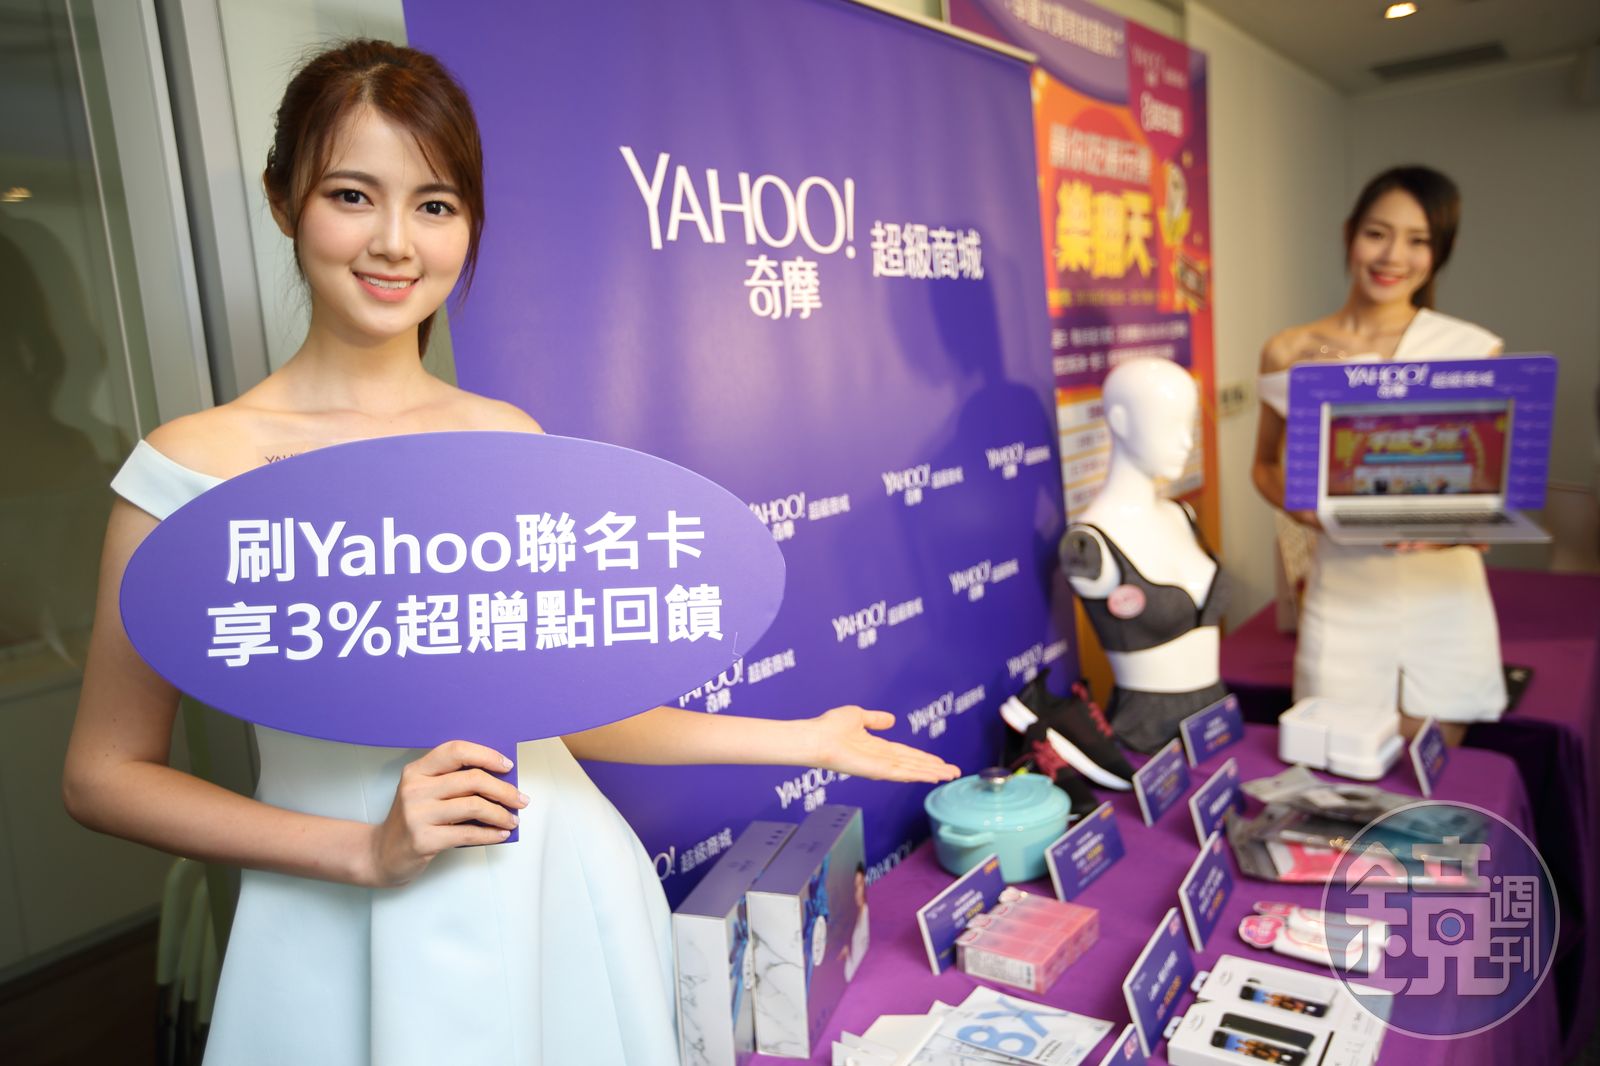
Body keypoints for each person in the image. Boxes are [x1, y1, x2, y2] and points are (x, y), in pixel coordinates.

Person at [61, 40, 958, 1065]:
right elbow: (103, 774)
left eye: (435, 205)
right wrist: (363, 849)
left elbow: (564, 712)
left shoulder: (507, 441)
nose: (395, 242)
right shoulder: (192, 468)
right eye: (352, 195)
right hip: (338, 916)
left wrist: (801, 738)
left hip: (555, 891)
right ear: (282, 200)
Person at [1252, 165, 1506, 746]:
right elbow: (1264, 465)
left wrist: (1460, 528)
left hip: (1445, 600)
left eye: (1418, 241)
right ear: (1349, 234)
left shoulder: (1470, 348)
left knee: (1424, 780)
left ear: (1440, 252)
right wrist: (1302, 509)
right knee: (1333, 768)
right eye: (1377, 234)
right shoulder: (1288, 349)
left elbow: (1486, 491)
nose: (1394, 256)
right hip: (1342, 589)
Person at [1060, 357, 1230, 753]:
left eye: (1189, 424)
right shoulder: (1090, 543)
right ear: (1120, 421)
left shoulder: (1181, 515)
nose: (1186, 442)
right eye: (1171, 425)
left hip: (1216, 721)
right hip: (1147, 739)